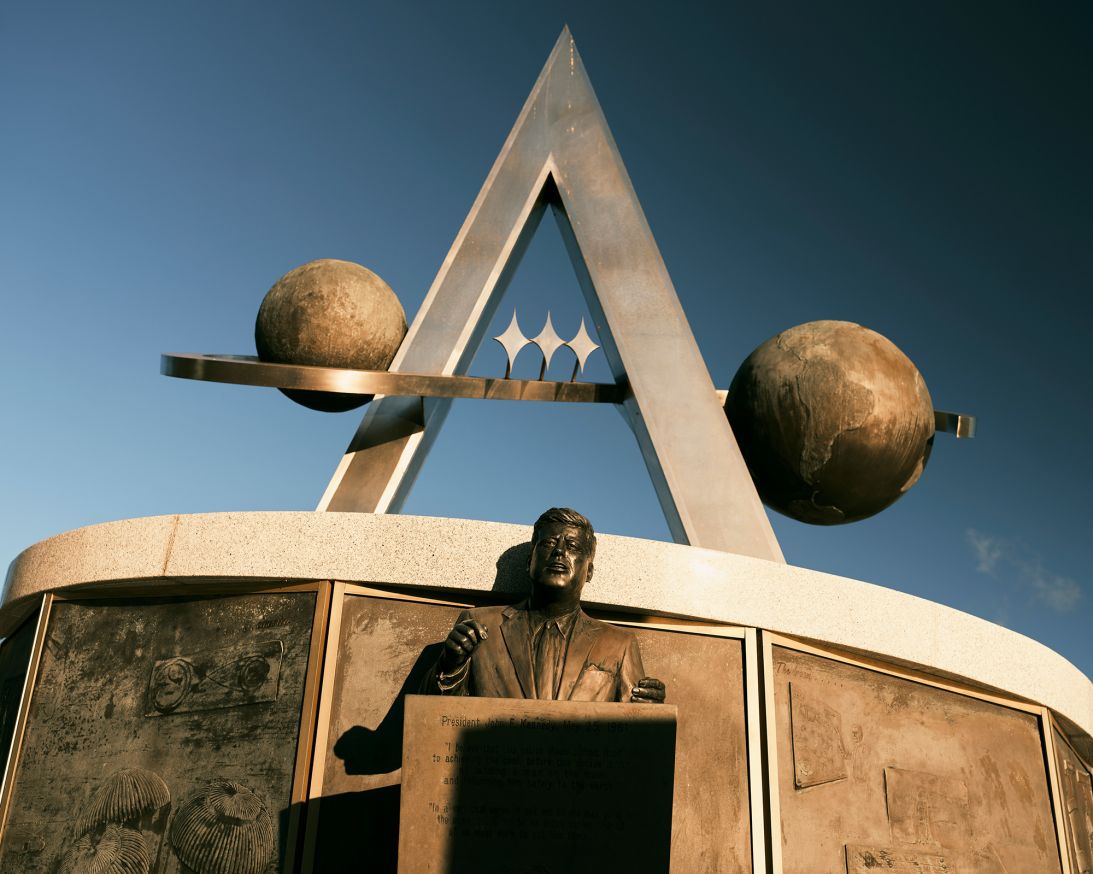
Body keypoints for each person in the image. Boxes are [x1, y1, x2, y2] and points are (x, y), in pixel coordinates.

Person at [426, 508, 665, 703]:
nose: (559, 552)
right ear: (530, 561)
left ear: (589, 571)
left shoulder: (619, 644)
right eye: (549, 543)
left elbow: (635, 740)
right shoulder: (480, 625)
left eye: (572, 547)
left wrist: (650, 713)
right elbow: (430, 722)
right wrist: (450, 666)